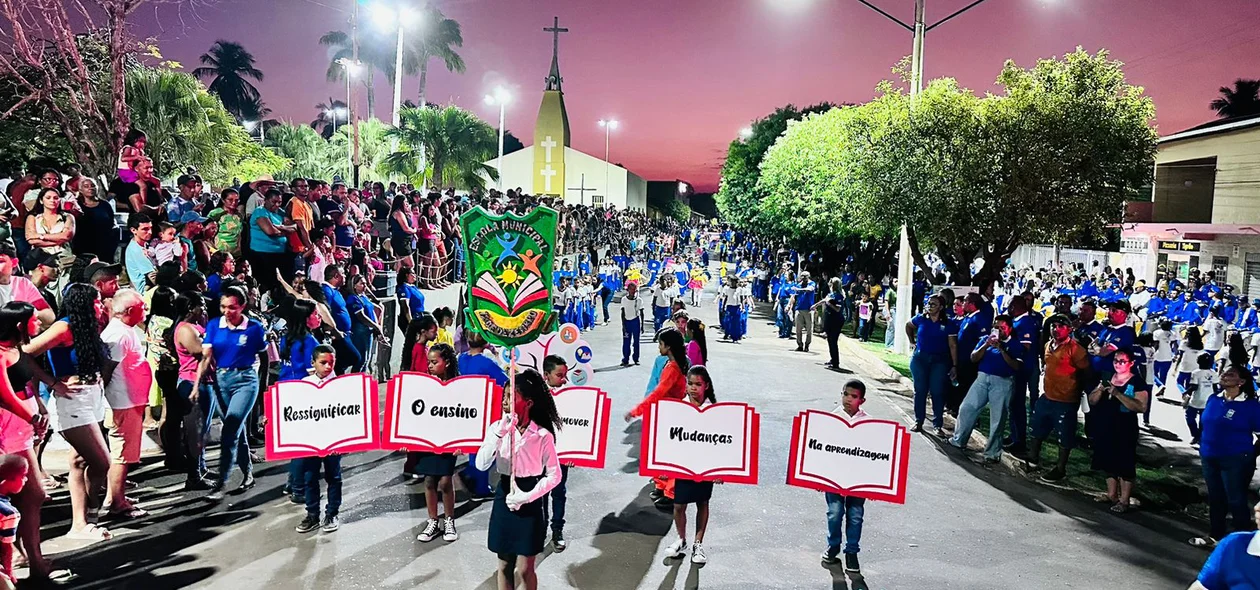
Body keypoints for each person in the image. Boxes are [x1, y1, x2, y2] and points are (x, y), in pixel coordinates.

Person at [24, 283, 113, 540]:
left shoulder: (88, 327)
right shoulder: (63, 327)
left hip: (92, 396)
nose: (100, 306)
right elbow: (26, 353)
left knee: (79, 462)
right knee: (101, 461)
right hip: (73, 400)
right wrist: (53, 382)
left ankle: (80, 523)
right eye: (96, 302)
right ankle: (92, 508)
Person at [476, 368, 563, 590]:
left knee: (525, 568)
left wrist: (527, 496)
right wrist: (499, 434)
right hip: (504, 493)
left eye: (510, 397)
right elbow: (481, 464)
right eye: (504, 396)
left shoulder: (543, 435)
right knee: (504, 564)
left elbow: (555, 475)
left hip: (531, 496)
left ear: (529, 402)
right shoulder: (497, 428)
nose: (504, 402)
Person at [0, 302, 61, 581]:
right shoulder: (0, 353)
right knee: (32, 495)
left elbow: (24, 385)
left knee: (28, 497)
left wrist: (39, 407)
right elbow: (6, 396)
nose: (38, 324)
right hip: (8, 431)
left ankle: (28, 559)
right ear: (18, 325)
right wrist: (32, 417)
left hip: (22, 428)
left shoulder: (17, 350)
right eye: (33, 320)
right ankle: (32, 563)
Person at [194, 287, 268, 502]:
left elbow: (264, 358)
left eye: (232, 307)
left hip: (245, 380)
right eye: (223, 307)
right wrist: (197, 384)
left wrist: (262, 388)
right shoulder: (214, 326)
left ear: (242, 306)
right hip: (221, 381)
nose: (227, 311)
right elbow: (206, 358)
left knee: (231, 428)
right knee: (237, 431)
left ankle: (221, 482)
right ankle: (248, 474)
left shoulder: (254, 328)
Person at [1190, 365, 1260, 548]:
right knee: (1215, 498)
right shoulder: (1214, 399)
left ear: (1242, 382)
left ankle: (1241, 544)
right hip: (1210, 457)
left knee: (1236, 500)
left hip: (1236, 460)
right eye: (1224, 373)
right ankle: (1215, 536)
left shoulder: (1251, 406)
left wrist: (1251, 454)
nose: (1224, 376)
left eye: (1231, 374)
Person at [100, 289, 153, 519]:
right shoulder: (118, 335)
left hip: (129, 400)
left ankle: (116, 496)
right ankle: (116, 503)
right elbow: (107, 370)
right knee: (121, 453)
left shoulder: (125, 331)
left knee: (125, 452)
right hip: (123, 402)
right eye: (142, 307)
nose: (145, 311)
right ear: (130, 311)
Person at [948, 315, 1024, 463]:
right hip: (982, 378)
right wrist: (986, 345)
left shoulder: (1015, 344)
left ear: (1009, 329)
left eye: (1002, 328)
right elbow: (973, 358)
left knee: (998, 418)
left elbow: (1016, 366)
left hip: (1002, 382)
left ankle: (992, 453)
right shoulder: (985, 339)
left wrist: (1002, 349)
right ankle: (959, 440)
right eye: (996, 327)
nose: (999, 331)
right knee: (967, 407)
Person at [627, 328, 690, 507]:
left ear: (668, 346)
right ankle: (662, 487)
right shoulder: (678, 362)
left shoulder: (672, 367)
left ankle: (670, 493)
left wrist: (637, 410)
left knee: (667, 455)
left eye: (660, 344)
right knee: (661, 453)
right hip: (668, 413)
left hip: (667, 414)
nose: (659, 348)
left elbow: (659, 391)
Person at [664, 365, 720, 565]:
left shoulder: (714, 411)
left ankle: (698, 544)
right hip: (683, 466)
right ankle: (681, 539)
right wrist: (662, 467)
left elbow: (721, 442)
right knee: (679, 505)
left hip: (705, 467)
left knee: (702, 503)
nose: (694, 388)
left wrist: (720, 470)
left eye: (698, 384)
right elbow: (669, 439)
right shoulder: (679, 408)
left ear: (706, 386)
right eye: (690, 383)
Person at [1026, 314, 1090, 482]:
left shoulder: (1075, 349)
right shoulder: (1048, 345)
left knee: (1064, 435)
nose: (1056, 329)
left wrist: (1079, 392)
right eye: (1053, 326)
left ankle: (1060, 469)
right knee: (1037, 427)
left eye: (1061, 326)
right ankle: (1032, 459)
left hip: (1066, 400)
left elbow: (1086, 371)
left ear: (1070, 329)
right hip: (1047, 396)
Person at [1087, 349, 1150, 514]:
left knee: (1125, 464)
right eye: (1115, 360)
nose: (1117, 364)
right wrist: (1100, 390)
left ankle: (1124, 500)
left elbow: (1141, 406)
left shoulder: (1137, 382)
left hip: (1125, 428)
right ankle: (1111, 493)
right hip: (1105, 425)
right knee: (1107, 460)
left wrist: (1117, 394)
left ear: (1131, 363)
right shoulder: (1107, 377)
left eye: (1122, 361)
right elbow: (1092, 401)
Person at [821, 379, 872, 574]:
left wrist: (875, 484)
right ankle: (833, 545)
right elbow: (821, 449)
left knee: (855, 515)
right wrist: (819, 477)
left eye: (854, 396)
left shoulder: (868, 423)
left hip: (858, 479)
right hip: (834, 477)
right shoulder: (831, 420)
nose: (848, 399)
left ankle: (851, 551)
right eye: (845, 394)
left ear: (862, 400)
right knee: (835, 512)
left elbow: (875, 455)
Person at [294, 344, 345, 535]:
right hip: (311, 440)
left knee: (334, 477)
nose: (328, 367)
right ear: (313, 363)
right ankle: (312, 514)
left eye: (331, 362)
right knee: (310, 478)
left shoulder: (341, 385)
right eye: (323, 363)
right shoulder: (304, 384)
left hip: (333, 441)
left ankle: (332, 513)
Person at [415, 343, 462, 544]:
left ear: (447, 362)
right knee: (429, 481)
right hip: (428, 440)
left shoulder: (459, 387)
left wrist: (462, 442)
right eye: (429, 363)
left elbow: (466, 416)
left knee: (444, 481)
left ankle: (449, 520)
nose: (430, 366)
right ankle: (433, 521)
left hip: (448, 440)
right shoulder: (426, 386)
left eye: (435, 362)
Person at [172, 293, 217, 490]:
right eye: (201, 306)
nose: (204, 309)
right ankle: (194, 475)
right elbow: (202, 352)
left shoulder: (197, 326)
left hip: (206, 381)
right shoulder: (185, 330)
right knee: (195, 432)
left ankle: (202, 466)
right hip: (192, 383)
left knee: (203, 429)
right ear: (191, 308)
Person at [457, 331, 508, 500]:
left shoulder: (462, 359)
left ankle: (475, 478)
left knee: (474, 447)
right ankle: (478, 485)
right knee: (487, 448)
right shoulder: (486, 362)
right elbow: (505, 380)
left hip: (466, 408)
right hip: (484, 410)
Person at [905, 295, 959, 435]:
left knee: (937, 391)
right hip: (920, 359)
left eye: (933, 304)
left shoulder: (948, 323)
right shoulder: (921, 318)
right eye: (929, 304)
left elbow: (952, 345)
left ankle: (937, 424)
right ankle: (918, 421)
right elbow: (909, 326)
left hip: (939, 361)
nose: (930, 306)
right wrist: (912, 341)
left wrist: (954, 365)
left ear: (941, 307)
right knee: (920, 390)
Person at [0, 454, 26, 587]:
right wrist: (9, 574)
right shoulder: (8, 514)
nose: (26, 479)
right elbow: (6, 548)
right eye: (22, 476)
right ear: (7, 481)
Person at [1185, 353, 1219, 446]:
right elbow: (1215, 387)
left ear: (1198, 362)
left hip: (1196, 400)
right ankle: (1200, 436)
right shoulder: (1213, 373)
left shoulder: (1196, 373)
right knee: (1202, 420)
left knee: (1190, 417)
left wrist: (1186, 392)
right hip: (1208, 400)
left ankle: (1195, 434)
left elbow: (1194, 386)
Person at [814, 278, 845, 370]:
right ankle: (832, 359)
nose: (830, 285)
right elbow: (824, 300)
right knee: (829, 340)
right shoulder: (831, 294)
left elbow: (838, 309)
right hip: (829, 319)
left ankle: (836, 362)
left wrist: (829, 304)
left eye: (831, 284)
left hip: (836, 320)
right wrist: (815, 305)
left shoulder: (839, 296)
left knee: (833, 340)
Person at [620, 281, 645, 367]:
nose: (633, 292)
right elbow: (622, 313)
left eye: (635, 290)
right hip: (627, 322)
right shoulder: (624, 299)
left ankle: (636, 358)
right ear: (628, 290)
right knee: (626, 342)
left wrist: (642, 325)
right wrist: (623, 325)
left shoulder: (639, 300)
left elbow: (642, 313)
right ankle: (625, 359)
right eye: (632, 290)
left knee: (636, 342)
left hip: (635, 321)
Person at [791, 272, 817, 353]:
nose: (803, 278)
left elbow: (810, 289)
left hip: (809, 310)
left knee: (809, 329)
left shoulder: (812, 283)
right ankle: (800, 345)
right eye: (802, 277)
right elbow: (794, 295)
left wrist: (798, 289)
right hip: (799, 309)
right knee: (798, 329)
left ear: (808, 277)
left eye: (805, 277)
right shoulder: (799, 284)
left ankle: (807, 345)